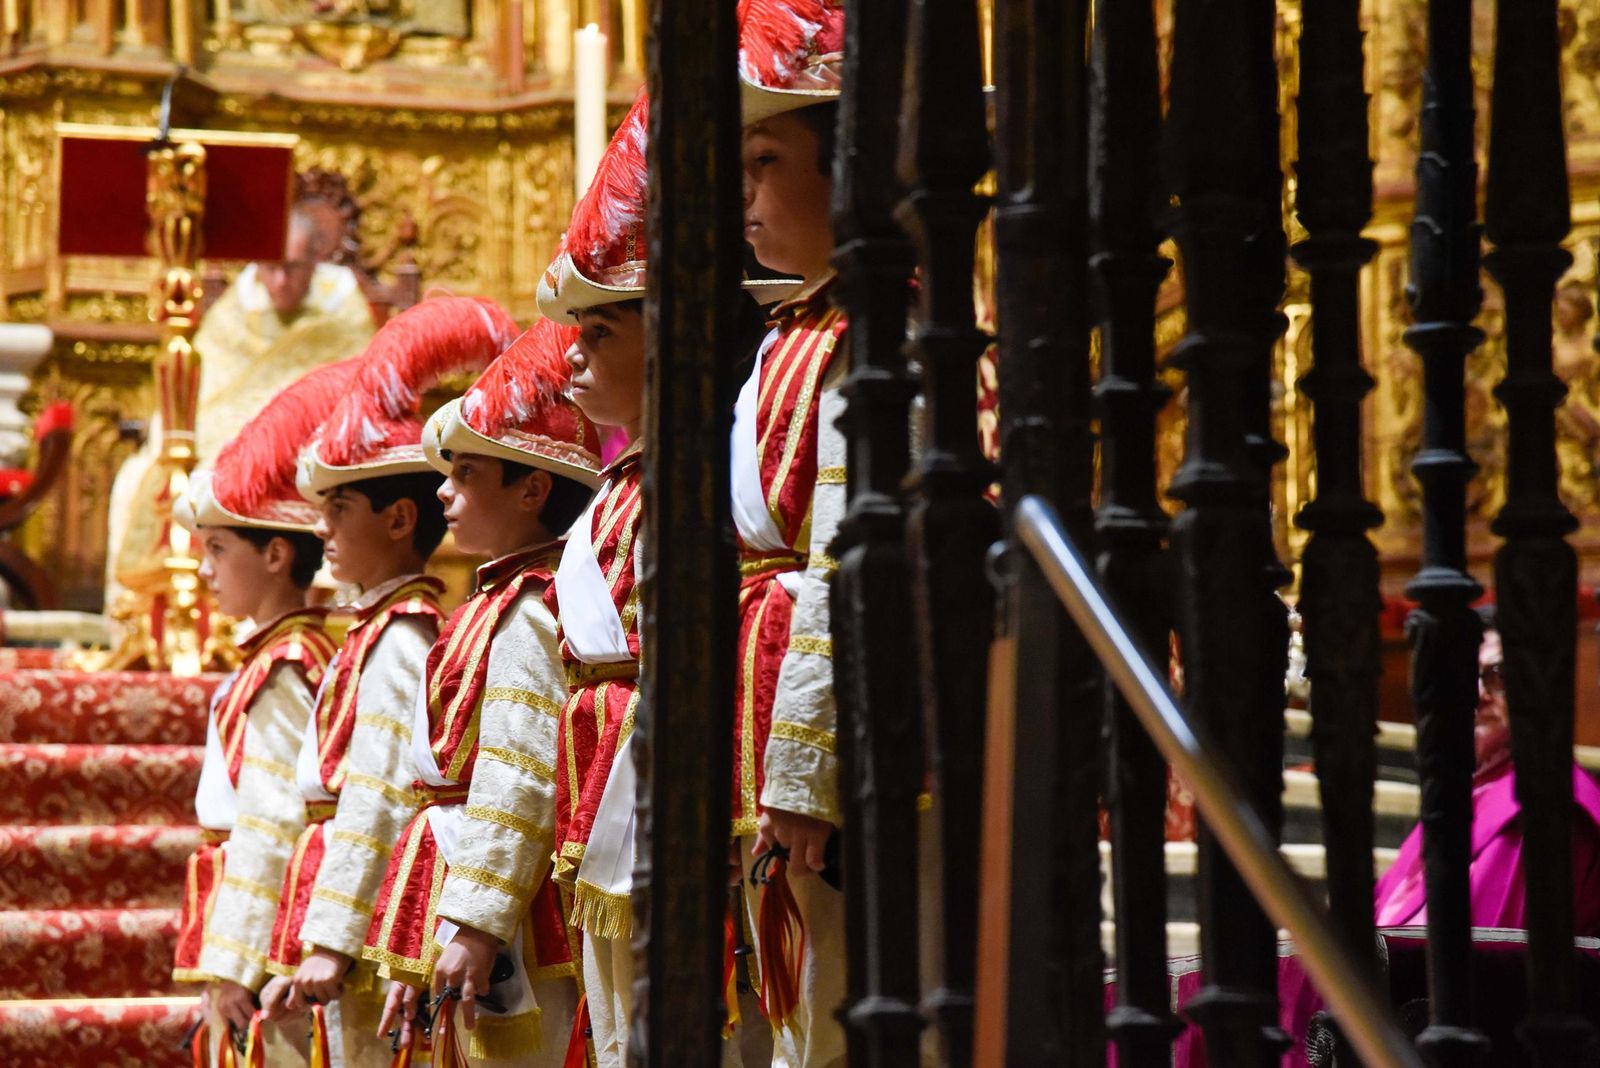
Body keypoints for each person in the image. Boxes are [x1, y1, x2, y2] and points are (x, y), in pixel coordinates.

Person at [251, 297, 519, 1066]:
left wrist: (334, 941)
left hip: (373, 916)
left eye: (338, 508)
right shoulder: (372, 631)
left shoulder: (401, 639)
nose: (322, 530)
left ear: (401, 519)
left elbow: (376, 798)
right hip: (351, 908)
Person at [367, 315, 601, 1065]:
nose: (443, 491)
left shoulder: (530, 606)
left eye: (466, 472)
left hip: (517, 919)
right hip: (473, 894)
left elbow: (518, 775)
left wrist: (475, 925)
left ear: (533, 488)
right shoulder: (493, 604)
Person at [169, 361, 350, 1065]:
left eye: (217, 548)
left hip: (265, 934)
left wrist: (236, 959)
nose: (204, 570)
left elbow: (273, 820)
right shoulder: (277, 657)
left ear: (277, 554)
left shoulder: (283, 668)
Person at [733, 2, 850, 1063]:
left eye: (765, 160)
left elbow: (841, 559)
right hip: (759, 715)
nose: (744, 193)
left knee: (830, 1014)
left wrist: (807, 776)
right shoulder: (795, 334)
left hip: (834, 756)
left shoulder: (865, 336)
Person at [107, 200, 375, 596]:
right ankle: (183, 602)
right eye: (271, 268)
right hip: (227, 444)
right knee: (137, 479)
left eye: (294, 268)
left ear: (316, 259)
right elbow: (203, 388)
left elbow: (361, 392)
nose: (281, 281)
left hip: (314, 446)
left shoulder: (344, 313)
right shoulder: (235, 312)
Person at [1374, 605, 1600, 932]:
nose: (1475, 695)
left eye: (1499, 676)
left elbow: (1486, 963)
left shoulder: (1545, 801)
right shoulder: (1465, 790)